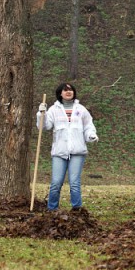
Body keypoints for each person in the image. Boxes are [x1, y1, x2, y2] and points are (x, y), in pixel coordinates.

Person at [37, 83, 98, 211]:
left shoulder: (81, 109)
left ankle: (77, 210)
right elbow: (44, 126)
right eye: (65, 90)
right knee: (56, 183)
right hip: (59, 152)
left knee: (74, 183)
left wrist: (91, 135)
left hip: (77, 152)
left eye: (71, 90)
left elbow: (88, 126)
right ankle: (52, 209)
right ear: (60, 93)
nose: (68, 92)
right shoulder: (54, 109)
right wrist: (41, 113)